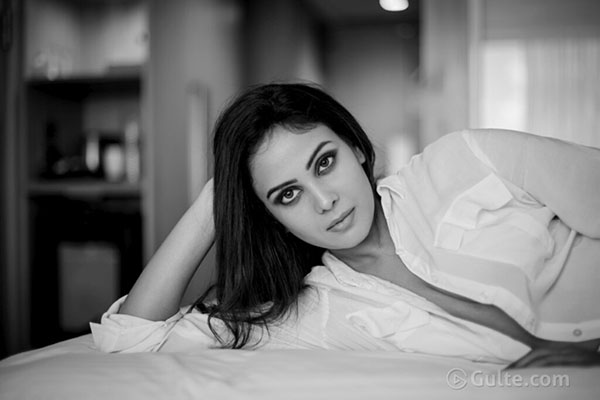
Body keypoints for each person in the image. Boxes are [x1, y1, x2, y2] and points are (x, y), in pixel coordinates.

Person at [91, 83, 600, 368]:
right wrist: (218, 196)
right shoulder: (312, 313)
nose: (325, 200)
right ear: (271, 215)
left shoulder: (466, 161)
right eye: (287, 195)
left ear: (355, 147)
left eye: (324, 162)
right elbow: (131, 340)